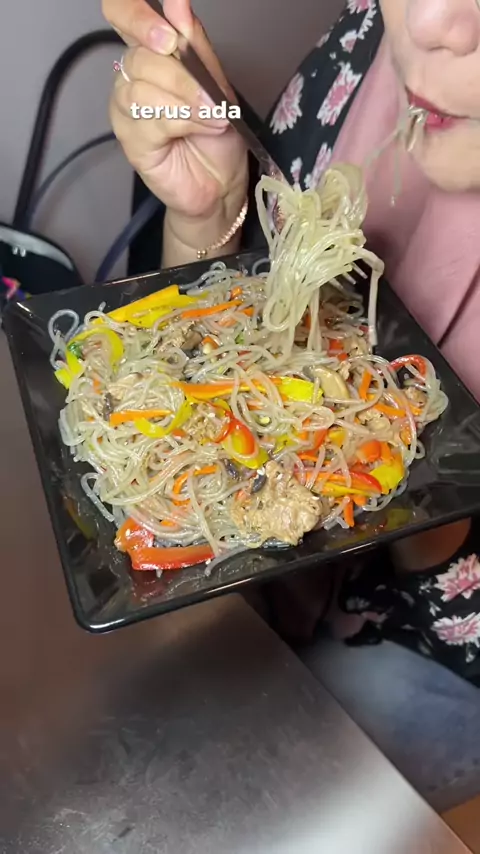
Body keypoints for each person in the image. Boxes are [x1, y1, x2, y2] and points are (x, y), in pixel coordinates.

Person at [103, 0, 480, 808]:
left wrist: (426, 504)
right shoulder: (365, 41)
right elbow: (224, 327)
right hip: (255, 587)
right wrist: (208, 218)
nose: (431, 20)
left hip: (428, 652)